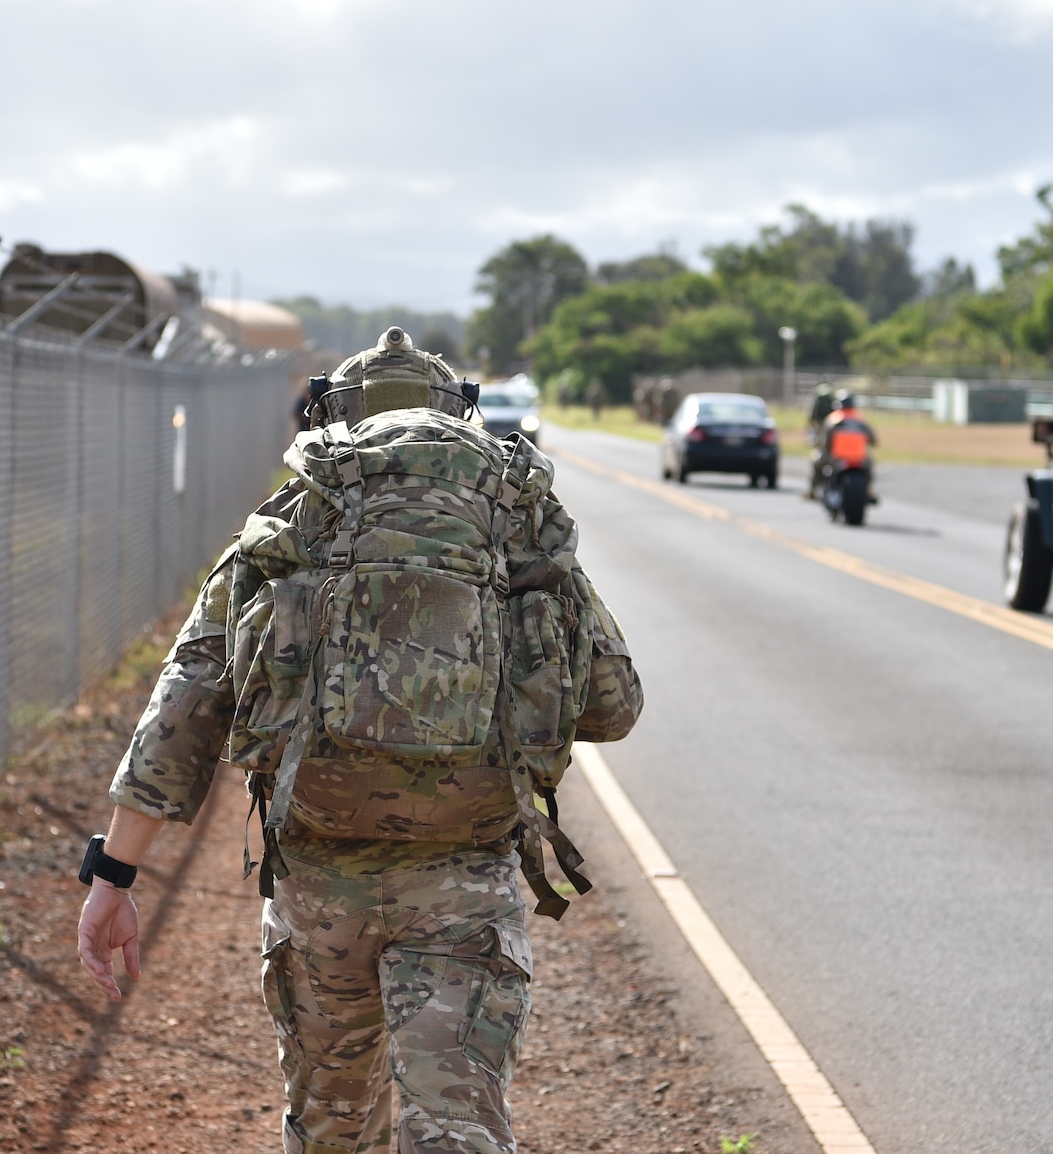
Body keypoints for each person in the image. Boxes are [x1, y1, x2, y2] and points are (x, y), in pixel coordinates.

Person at [77, 326, 644, 1154]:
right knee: (458, 1128)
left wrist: (114, 875)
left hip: (318, 885)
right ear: (463, 416)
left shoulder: (291, 520)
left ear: (328, 414)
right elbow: (613, 703)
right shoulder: (513, 524)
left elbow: (187, 705)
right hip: (465, 881)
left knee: (334, 1128)